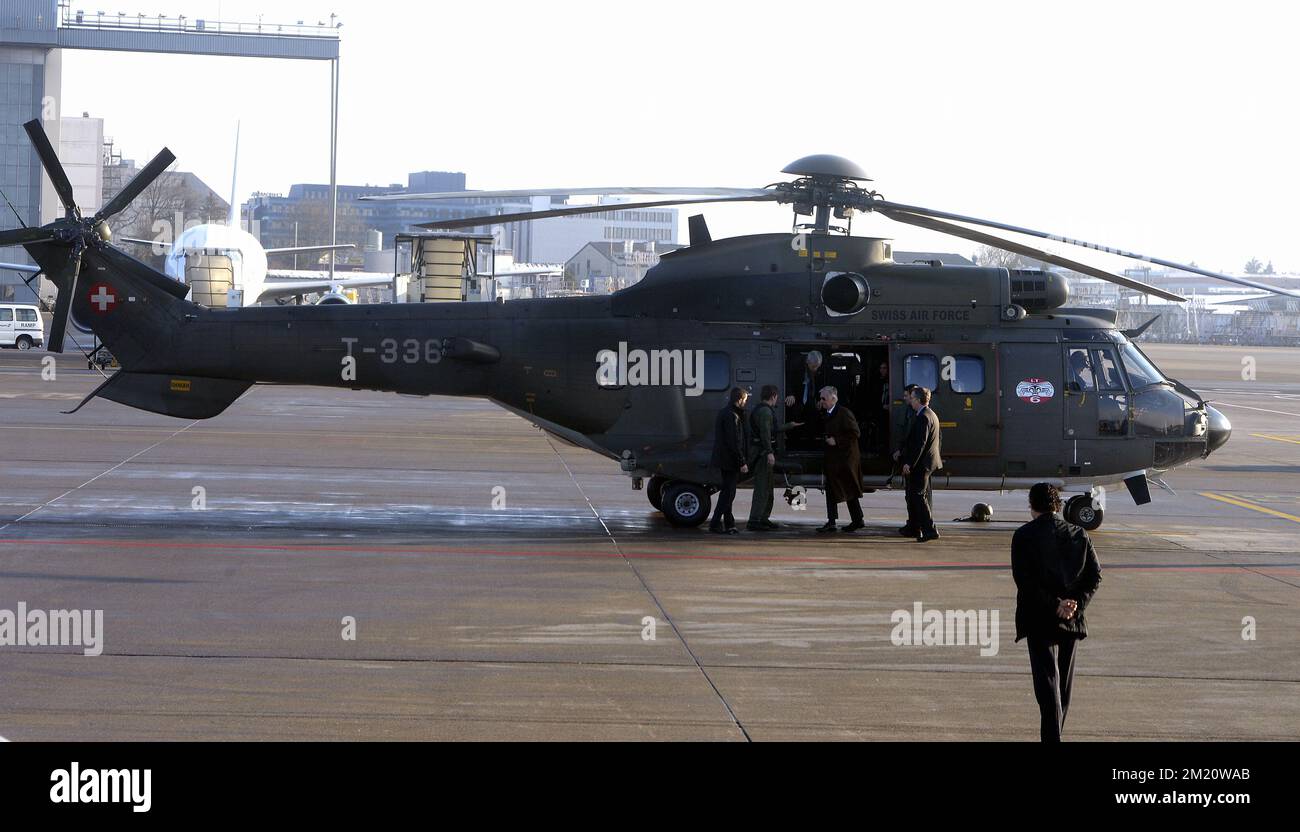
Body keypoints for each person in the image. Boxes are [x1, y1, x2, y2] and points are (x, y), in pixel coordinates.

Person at [1012, 483, 1102, 742]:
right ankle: (1054, 737)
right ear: (1057, 505)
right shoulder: (1078, 534)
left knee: (1047, 685)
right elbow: (1094, 575)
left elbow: (1025, 582)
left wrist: (1055, 604)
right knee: (1063, 686)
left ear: (1032, 505)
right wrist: (1074, 603)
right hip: (1071, 619)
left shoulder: (1024, 536)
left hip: (1039, 617)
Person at [747, 385, 802, 531]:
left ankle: (763, 518)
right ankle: (754, 520)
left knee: (768, 488)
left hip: (763, 454)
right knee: (762, 488)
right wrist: (769, 452)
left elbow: (772, 429)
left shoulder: (764, 410)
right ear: (773, 396)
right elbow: (765, 434)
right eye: (777, 396)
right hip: (763, 455)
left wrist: (790, 425)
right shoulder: (765, 412)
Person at [817, 386, 865, 533]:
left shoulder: (844, 413)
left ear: (833, 399)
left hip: (845, 459)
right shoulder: (827, 413)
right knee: (831, 489)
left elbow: (855, 433)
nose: (821, 401)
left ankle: (857, 520)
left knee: (849, 489)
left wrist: (837, 440)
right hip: (834, 459)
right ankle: (833, 521)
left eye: (824, 399)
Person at [901, 386, 942, 542]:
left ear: (917, 400)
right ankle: (914, 527)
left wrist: (909, 464)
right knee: (916, 495)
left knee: (918, 496)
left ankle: (930, 530)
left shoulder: (923, 417)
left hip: (922, 464)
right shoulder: (931, 414)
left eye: (911, 398)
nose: (910, 401)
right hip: (926, 462)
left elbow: (920, 444)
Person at [709, 387, 750, 534]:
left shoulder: (725, 413)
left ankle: (729, 523)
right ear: (739, 399)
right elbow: (734, 442)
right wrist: (742, 462)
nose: (746, 403)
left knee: (727, 492)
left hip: (724, 459)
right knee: (728, 493)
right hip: (730, 460)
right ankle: (715, 523)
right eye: (745, 400)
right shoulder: (733, 416)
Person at [784, 350, 825, 448]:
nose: (815, 369)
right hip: (796, 396)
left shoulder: (817, 368)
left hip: (810, 396)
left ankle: (811, 444)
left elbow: (820, 383)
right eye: (813, 366)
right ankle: (793, 445)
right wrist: (790, 393)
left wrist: (820, 399)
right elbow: (787, 379)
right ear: (807, 361)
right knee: (795, 419)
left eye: (817, 367)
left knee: (812, 417)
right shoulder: (795, 363)